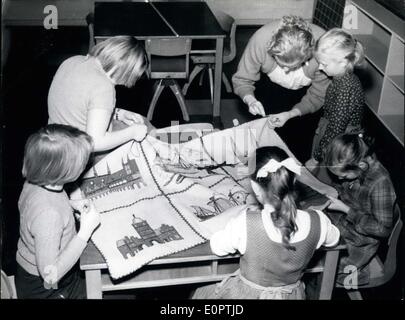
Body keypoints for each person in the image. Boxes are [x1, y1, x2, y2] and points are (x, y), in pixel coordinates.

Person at [192, 146, 340, 299]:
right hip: (291, 295)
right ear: (294, 180)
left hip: (246, 295)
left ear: (255, 187)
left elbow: (218, 247)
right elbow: (334, 238)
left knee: (201, 291)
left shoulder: (245, 222)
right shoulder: (319, 221)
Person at [15, 124, 100, 299]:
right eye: (82, 163)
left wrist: (70, 204)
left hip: (35, 269)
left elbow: (42, 206)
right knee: (95, 287)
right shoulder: (49, 215)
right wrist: (85, 232)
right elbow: (49, 275)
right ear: (65, 171)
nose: (85, 165)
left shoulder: (35, 182)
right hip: (45, 288)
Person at [269, 28, 365, 167]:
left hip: (339, 142)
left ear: (343, 62)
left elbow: (335, 129)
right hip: (330, 133)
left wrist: (316, 158)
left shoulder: (346, 89)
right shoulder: (340, 78)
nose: (319, 67)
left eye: (324, 64)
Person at [48, 36, 151, 158]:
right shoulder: (104, 87)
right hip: (73, 156)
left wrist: (119, 114)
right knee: (147, 131)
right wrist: (133, 133)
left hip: (51, 141)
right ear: (127, 71)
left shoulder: (73, 60)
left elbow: (81, 103)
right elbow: (95, 142)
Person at [324, 133, 397, 286]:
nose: (340, 179)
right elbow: (342, 185)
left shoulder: (380, 182)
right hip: (342, 225)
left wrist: (346, 209)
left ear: (361, 166)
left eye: (343, 176)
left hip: (359, 242)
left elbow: (383, 229)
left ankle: (359, 275)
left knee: (322, 270)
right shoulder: (356, 165)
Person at [232, 15, 329, 119]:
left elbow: (318, 95)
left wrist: (292, 114)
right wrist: (251, 101)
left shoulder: (324, 52)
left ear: (308, 56)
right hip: (268, 85)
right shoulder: (260, 40)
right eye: (282, 65)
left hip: (307, 92)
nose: (286, 71)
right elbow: (242, 79)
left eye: (293, 66)